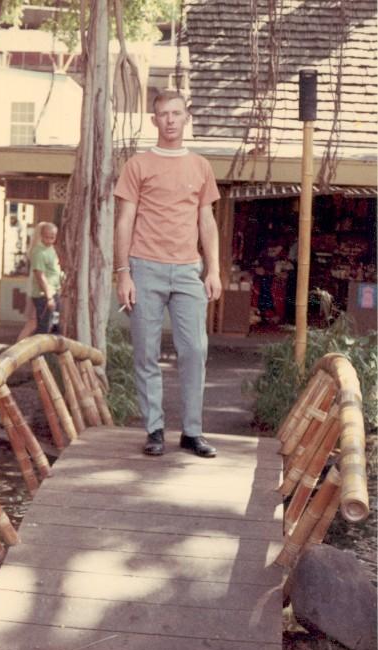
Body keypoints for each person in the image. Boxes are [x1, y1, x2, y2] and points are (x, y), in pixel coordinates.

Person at [114, 90, 222, 458]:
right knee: (146, 352)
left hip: (188, 271)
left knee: (194, 350)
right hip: (145, 268)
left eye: (177, 113)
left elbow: (207, 220)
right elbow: (124, 220)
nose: (171, 120)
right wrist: (123, 274)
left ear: (186, 117)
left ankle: (192, 432)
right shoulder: (138, 165)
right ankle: (155, 430)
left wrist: (214, 270)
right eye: (164, 114)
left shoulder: (201, 166)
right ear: (154, 119)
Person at [30, 221, 63, 334]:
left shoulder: (51, 248)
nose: (49, 241)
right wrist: (49, 298)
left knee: (55, 324)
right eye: (46, 237)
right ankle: (40, 347)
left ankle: (54, 344)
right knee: (44, 327)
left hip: (55, 292)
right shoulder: (38, 252)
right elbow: (40, 276)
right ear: (41, 235)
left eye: (52, 238)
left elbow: (53, 270)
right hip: (44, 296)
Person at [16, 223, 41, 341]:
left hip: (34, 289)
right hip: (37, 291)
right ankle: (17, 348)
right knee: (32, 323)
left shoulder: (34, 250)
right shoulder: (39, 251)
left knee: (33, 323)